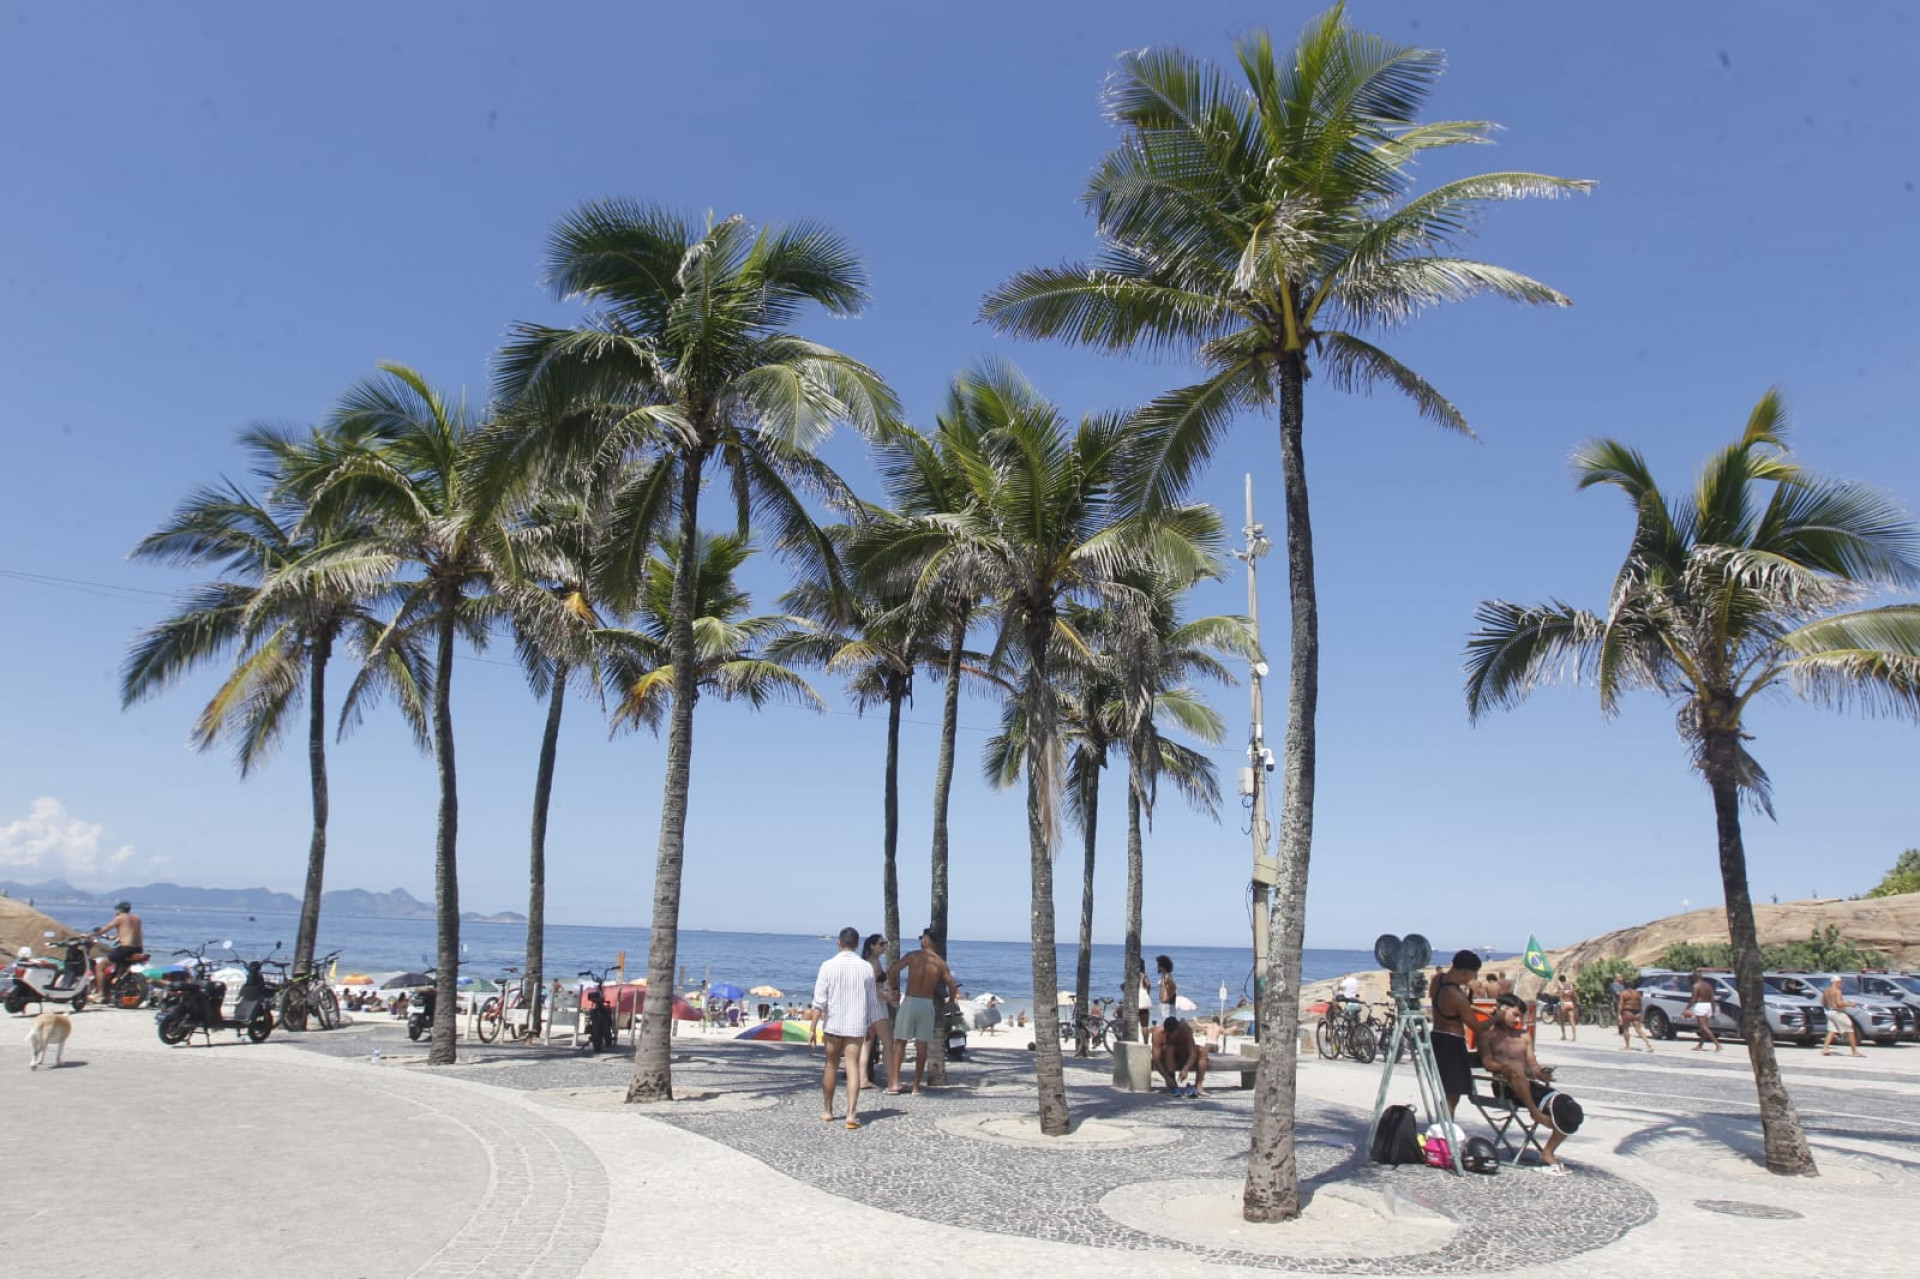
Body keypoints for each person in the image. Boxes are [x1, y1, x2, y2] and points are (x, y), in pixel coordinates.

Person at [1480, 993, 1583, 1174]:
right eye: (1515, 1014)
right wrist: (1507, 1067)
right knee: (1515, 1069)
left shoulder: (1524, 1036)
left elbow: (1532, 1064)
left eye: (1521, 1016)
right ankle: (1535, 1113)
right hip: (1503, 1086)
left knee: (1569, 1110)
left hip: (1527, 1085)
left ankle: (1547, 1153)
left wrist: (1541, 1073)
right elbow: (1488, 1063)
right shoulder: (1488, 1035)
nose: (1518, 1020)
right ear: (1503, 1011)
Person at [811, 926, 880, 1128]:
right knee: (853, 1067)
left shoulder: (828, 966)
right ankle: (850, 1113)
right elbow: (871, 1000)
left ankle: (827, 1110)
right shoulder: (866, 967)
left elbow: (819, 1001)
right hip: (856, 1024)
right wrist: (872, 1023)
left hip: (834, 1024)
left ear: (839, 943)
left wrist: (813, 1028)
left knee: (831, 1065)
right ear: (857, 945)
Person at [886, 927, 960, 1094]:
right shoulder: (940, 963)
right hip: (927, 1004)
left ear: (926, 940)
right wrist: (951, 1002)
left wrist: (894, 989)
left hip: (911, 1001)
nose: (921, 940)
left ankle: (894, 1083)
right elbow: (952, 985)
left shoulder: (913, 956)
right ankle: (916, 1087)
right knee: (922, 1046)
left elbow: (891, 971)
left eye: (922, 938)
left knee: (900, 1042)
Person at [1430, 949, 1489, 1118]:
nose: (1472, 979)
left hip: (1437, 1035)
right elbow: (1476, 1027)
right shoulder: (1455, 994)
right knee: (1452, 1094)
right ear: (1465, 973)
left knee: (1447, 1090)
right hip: (1452, 1042)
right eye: (1472, 975)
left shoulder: (1437, 980)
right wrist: (1495, 1019)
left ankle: (1443, 1128)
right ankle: (1445, 1132)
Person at [860, 933, 901, 1092]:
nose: (884, 947)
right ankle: (892, 1082)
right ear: (872, 946)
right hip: (877, 1005)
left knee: (867, 1043)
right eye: (881, 944)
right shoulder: (874, 963)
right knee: (888, 1043)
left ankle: (863, 1078)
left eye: (885, 943)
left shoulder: (864, 963)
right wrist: (888, 997)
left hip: (866, 1005)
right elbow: (873, 988)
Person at [89, 900, 143, 1000]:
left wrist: (88, 935)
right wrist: (116, 937)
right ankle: (113, 992)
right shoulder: (137, 918)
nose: (115, 912)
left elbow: (105, 929)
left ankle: (101, 993)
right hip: (138, 949)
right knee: (120, 969)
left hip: (125, 949)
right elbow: (130, 932)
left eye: (116, 910)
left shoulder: (120, 917)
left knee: (100, 966)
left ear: (119, 910)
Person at [1151, 1015, 1209, 1097]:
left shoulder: (1185, 1029)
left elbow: (1192, 1053)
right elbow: (1156, 1059)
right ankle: (1172, 1082)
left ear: (1178, 1029)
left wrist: (1186, 1068)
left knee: (1203, 1050)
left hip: (1183, 1053)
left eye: (1173, 1033)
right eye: (1169, 1034)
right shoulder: (1158, 1033)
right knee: (1169, 1047)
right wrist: (1166, 1078)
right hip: (1168, 1058)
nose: (1171, 1036)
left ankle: (1198, 1085)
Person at [1822, 976, 1864, 1057]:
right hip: (1839, 1013)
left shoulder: (1826, 991)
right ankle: (1854, 1051)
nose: (1841, 984)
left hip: (1830, 1012)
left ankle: (1825, 1049)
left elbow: (1823, 1002)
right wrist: (1850, 1004)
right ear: (1836, 982)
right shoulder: (1837, 991)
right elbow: (1839, 1003)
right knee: (1850, 1030)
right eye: (1840, 982)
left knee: (1832, 1030)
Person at [1616, 979, 1654, 1052]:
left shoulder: (1623, 993)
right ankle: (1648, 1044)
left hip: (1627, 1012)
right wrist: (1641, 1013)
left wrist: (1619, 1014)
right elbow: (1640, 1004)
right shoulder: (1637, 993)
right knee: (1639, 1030)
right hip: (1636, 1012)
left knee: (1626, 1029)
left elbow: (1621, 1004)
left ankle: (1627, 1046)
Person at [1688, 970, 1722, 1052]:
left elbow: (1693, 999)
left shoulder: (1696, 986)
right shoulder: (1708, 985)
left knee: (1703, 1027)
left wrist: (1687, 1008)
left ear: (1695, 977)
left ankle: (1717, 1044)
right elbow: (1712, 999)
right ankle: (1700, 1045)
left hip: (1700, 1006)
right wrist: (1713, 1011)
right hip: (1708, 1005)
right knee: (1704, 1027)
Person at [1550, 973, 1578, 1041]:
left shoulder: (1560, 986)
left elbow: (1558, 994)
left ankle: (1564, 1036)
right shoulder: (1570, 985)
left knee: (1562, 1021)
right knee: (1572, 1021)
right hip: (1570, 1004)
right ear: (1565, 979)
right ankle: (1574, 1037)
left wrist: (1554, 994)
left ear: (1560, 980)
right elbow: (1574, 995)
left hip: (1564, 1004)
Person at [1156, 954, 1178, 1026]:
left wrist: (1167, 998)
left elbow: (1174, 987)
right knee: (1165, 1021)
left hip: (1167, 1004)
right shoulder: (1164, 975)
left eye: (1158, 965)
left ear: (1162, 966)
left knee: (1167, 1022)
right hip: (1165, 1003)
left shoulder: (1167, 976)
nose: (1157, 967)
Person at [1136, 971, 1151, 1039]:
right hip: (1143, 1003)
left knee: (1132, 1024)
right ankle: (1145, 1042)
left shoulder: (1133, 974)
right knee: (1144, 1025)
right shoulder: (1144, 976)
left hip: (1134, 1001)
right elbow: (1148, 984)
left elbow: (1123, 985)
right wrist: (1147, 992)